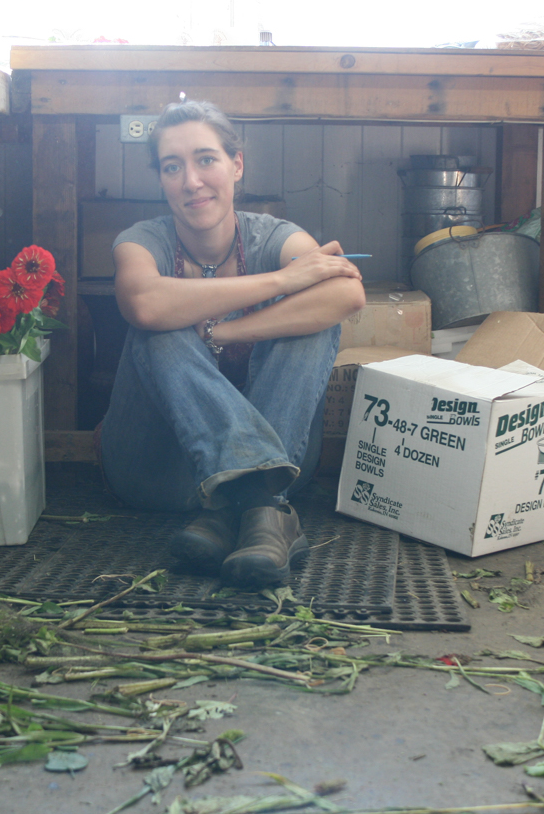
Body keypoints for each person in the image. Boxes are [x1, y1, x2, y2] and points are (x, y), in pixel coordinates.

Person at [96, 99, 366, 588]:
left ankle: (240, 509)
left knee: (313, 321)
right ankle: (259, 505)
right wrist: (280, 281)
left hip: (280, 475)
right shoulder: (141, 240)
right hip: (156, 470)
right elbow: (145, 304)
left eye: (206, 160)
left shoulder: (273, 238)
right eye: (172, 167)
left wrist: (223, 331)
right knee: (161, 332)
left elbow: (347, 292)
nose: (191, 181)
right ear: (160, 179)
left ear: (236, 165)